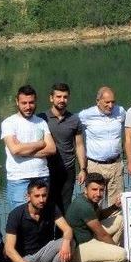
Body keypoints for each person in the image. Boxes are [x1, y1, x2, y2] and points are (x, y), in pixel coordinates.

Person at [5, 179, 75, 262]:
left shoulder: (51, 207)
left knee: (70, 242)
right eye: (37, 196)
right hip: (23, 259)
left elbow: (67, 229)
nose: (41, 199)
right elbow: (9, 250)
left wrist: (66, 242)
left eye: (44, 195)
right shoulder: (16, 215)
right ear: (28, 196)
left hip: (43, 254)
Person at [2, 85, 56, 209]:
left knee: (43, 219)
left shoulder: (41, 122)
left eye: (31, 102)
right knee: (20, 219)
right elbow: (14, 149)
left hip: (42, 176)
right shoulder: (9, 123)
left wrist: (23, 150)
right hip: (19, 179)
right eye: (24, 103)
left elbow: (52, 149)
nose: (28, 107)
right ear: (17, 102)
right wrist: (40, 144)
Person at [66, 173, 129, 262]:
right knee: (122, 255)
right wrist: (116, 249)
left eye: (101, 190)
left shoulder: (89, 199)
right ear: (85, 189)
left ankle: (109, 256)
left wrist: (115, 206)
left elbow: (100, 215)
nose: (98, 194)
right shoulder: (83, 206)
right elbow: (102, 235)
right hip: (80, 247)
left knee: (121, 219)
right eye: (94, 189)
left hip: (90, 237)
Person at [39, 83, 85, 214]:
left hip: (68, 170)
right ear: (51, 98)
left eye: (65, 97)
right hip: (46, 170)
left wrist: (83, 169)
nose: (62, 100)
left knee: (65, 205)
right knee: (46, 205)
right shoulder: (41, 118)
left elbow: (80, 145)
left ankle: (63, 234)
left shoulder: (74, 119)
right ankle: (47, 235)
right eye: (58, 96)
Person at [78, 87, 126, 207]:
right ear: (98, 101)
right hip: (95, 165)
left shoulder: (120, 112)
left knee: (117, 203)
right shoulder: (86, 115)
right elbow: (71, 126)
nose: (110, 106)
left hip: (116, 165)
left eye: (113, 102)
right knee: (94, 203)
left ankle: (114, 226)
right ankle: (95, 225)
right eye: (107, 102)